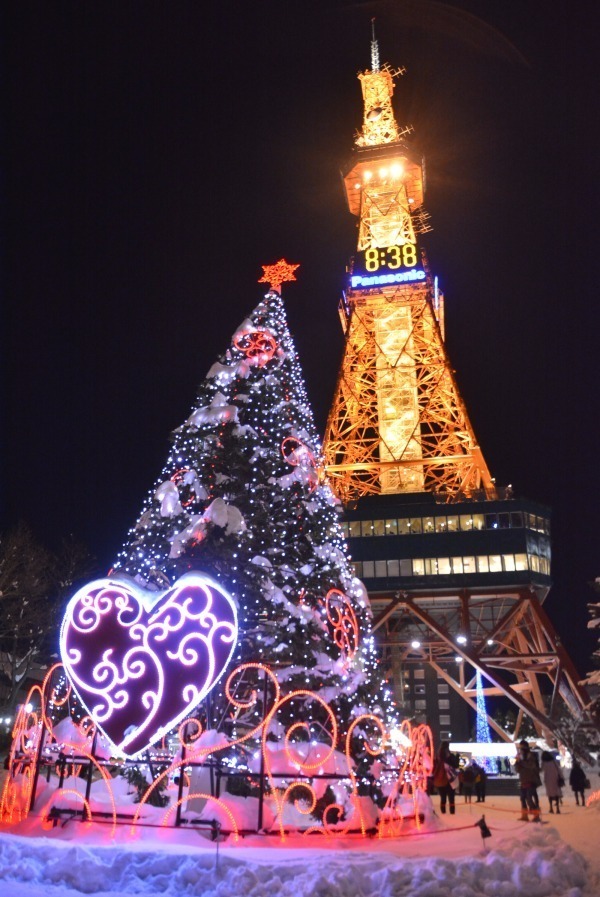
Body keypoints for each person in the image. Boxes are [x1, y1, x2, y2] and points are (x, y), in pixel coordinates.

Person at [514, 739, 541, 822]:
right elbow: (518, 770)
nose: (521, 749)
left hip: (531, 779)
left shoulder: (531, 755)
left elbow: (531, 766)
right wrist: (517, 763)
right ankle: (524, 815)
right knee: (522, 798)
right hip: (523, 780)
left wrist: (521, 762)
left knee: (529, 797)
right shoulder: (520, 756)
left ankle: (536, 815)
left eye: (522, 747)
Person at [432, 741, 460, 815]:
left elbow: (434, 767)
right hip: (450, 779)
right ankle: (452, 812)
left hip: (440, 780)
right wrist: (457, 758)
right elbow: (455, 766)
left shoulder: (438, 756)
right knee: (451, 798)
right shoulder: (450, 756)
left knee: (443, 798)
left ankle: (443, 813)